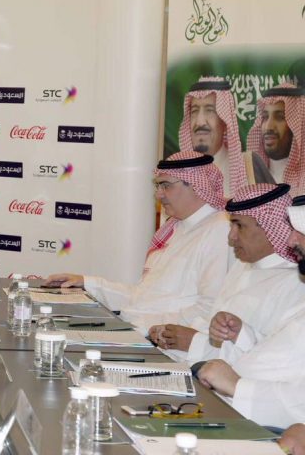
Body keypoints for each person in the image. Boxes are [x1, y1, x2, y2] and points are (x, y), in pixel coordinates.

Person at [46, 151, 231, 334]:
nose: (158, 194)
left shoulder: (220, 230)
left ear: (196, 185)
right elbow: (142, 297)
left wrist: (140, 327)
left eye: (165, 185)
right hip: (138, 330)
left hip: (165, 343)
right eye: (158, 186)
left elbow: (209, 309)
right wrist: (87, 283)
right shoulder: (177, 227)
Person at [150, 183, 303, 363]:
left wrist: (193, 343)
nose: (231, 237)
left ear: (271, 227)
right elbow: (213, 328)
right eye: (231, 225)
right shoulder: (242, 265)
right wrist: (172, 335)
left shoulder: (294, 283)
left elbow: (266, 360)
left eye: (240, 226)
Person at [196, 192, 305, 429]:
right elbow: (277, 355)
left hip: (260, 422)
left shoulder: (294, 285)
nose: (290, 240)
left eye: (300, 233)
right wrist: (242, 334)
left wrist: (237, 386)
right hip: (228, 403)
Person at [178, 77, 272, 195]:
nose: (200, 122)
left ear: (224, 121)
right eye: (194, 111)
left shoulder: (249, 167)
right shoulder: (175, 175)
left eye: (210, 110)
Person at [246, 84, 305, 190]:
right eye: (265, 117)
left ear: (298, 125)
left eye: (279, 117)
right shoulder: (248, 178)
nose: (268, 127)